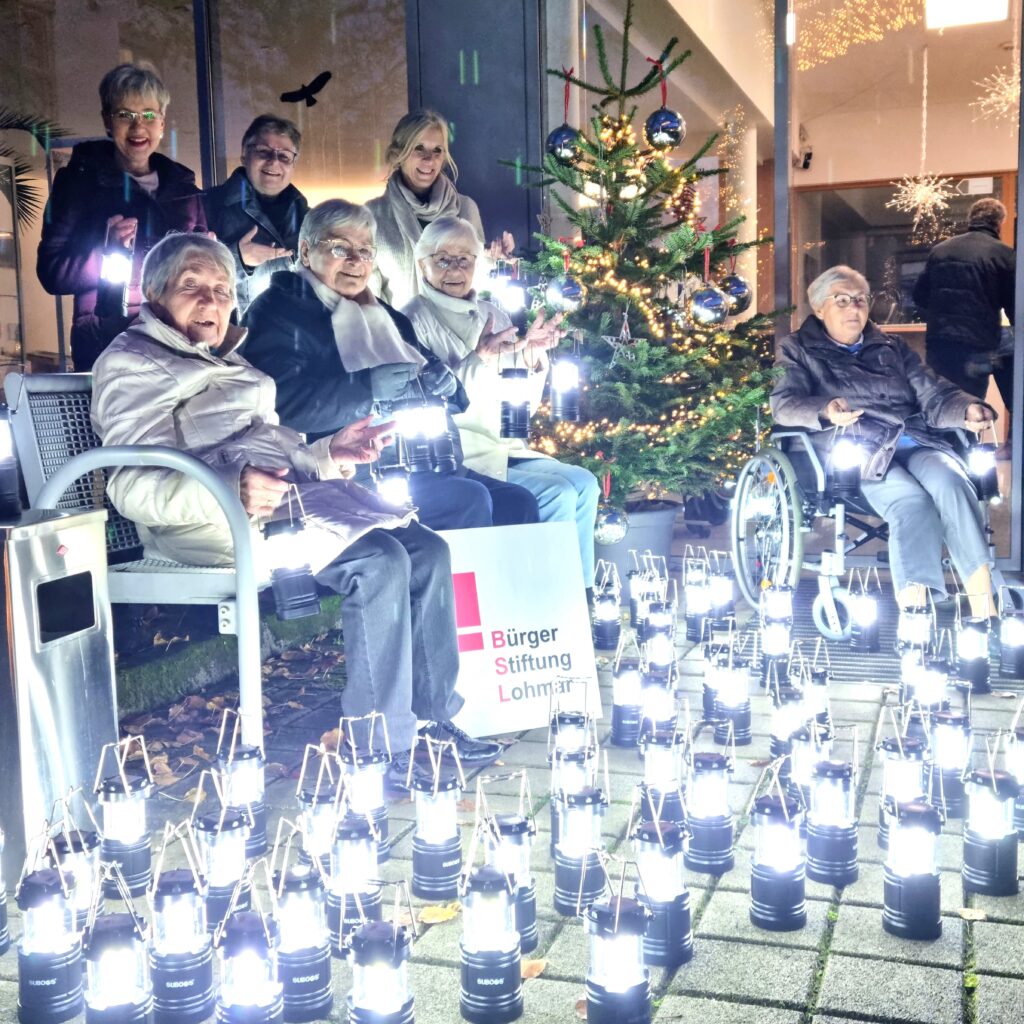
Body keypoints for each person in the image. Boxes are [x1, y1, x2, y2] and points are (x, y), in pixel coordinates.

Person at [90, 232, 500, 774]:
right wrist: (229, 486)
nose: (212, 301)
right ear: (157, 295)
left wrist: (332, 452)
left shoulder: (226, 359)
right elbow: (129, 484)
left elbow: (273, 450)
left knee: (425, 549)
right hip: (212, 523)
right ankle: (380, 745)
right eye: (193, 287)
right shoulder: (133, 362)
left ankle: (429, 719)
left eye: (220, 287)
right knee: (379, 562)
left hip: (277, 504)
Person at [242, 199, 539, 530]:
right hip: (358, 471)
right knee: (467, 500)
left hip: (431, 460)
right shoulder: (279, 311)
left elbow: (444, 387)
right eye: (341, 249)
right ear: (307, 251)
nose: (356, 261)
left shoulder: (384, 315)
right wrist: (366, 389)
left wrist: (446, 384)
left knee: (519, 503)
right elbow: (280, 405)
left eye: (366, 252)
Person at [772, 265, 998, 618]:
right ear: (819, 309)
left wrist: (965, 409)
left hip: (913, 440)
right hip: (858, 449)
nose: (854, 308)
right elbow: (784, 405)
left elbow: (933, 392)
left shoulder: (891, 346)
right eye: (842, 300)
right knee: (911, 503)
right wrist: (826, 409)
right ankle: (915, 615)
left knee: (954, 482)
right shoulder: (798, 349)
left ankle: (986, 607)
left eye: (860, 300)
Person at [403, 216, 601, 588]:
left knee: (586, 482)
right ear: (422, 264)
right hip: (463, 450)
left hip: (506, 443)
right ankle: (550, 600)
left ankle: (581, 594)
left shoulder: (492, 314)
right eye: (443, 259)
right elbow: (435, 400)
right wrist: (479, 361)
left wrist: (531, 358)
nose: (454, 270)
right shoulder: (412, 320)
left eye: (464, 259)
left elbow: (517, 407)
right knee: (556, 492)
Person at [37, 63, 206, 371]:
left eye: (148, 115)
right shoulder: (78, 183)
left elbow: (204, 269)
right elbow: (51, 271)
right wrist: (106, 252)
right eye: (124, 115)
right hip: (110, 349)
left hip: (177, 346)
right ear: (107, 120)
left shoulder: (183, 188)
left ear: (162, 123)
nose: (138, 127)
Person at [367, 110, 513, 309]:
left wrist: (492, 258)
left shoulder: (465, 209)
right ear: (398, 154)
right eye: (419, 148)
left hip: (457, 335)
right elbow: (368, 295)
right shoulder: (372, 216)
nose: (429, 159)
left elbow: (475, 284)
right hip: (399, 335)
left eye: (437, 150)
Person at [913, 198, 1016, 424]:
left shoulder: (940, 251)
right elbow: (1014, 306)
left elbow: (919, 295)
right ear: (999, 223)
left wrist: (942, 313)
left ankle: (945, 453)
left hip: (940, 344)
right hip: (977, 343)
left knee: (942, 401)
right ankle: (970, 451)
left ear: (971, 220)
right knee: (971, 406)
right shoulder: (1004, 255)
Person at [203, 114, 309, 315]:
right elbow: (182, 276)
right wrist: (238, 259)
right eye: (264, 152)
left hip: (297, 337)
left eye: (284, 156)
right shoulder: (207, 206)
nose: (274, 162)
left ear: (293, 163)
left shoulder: (309, 218)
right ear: (244, 155)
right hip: (232, 339)